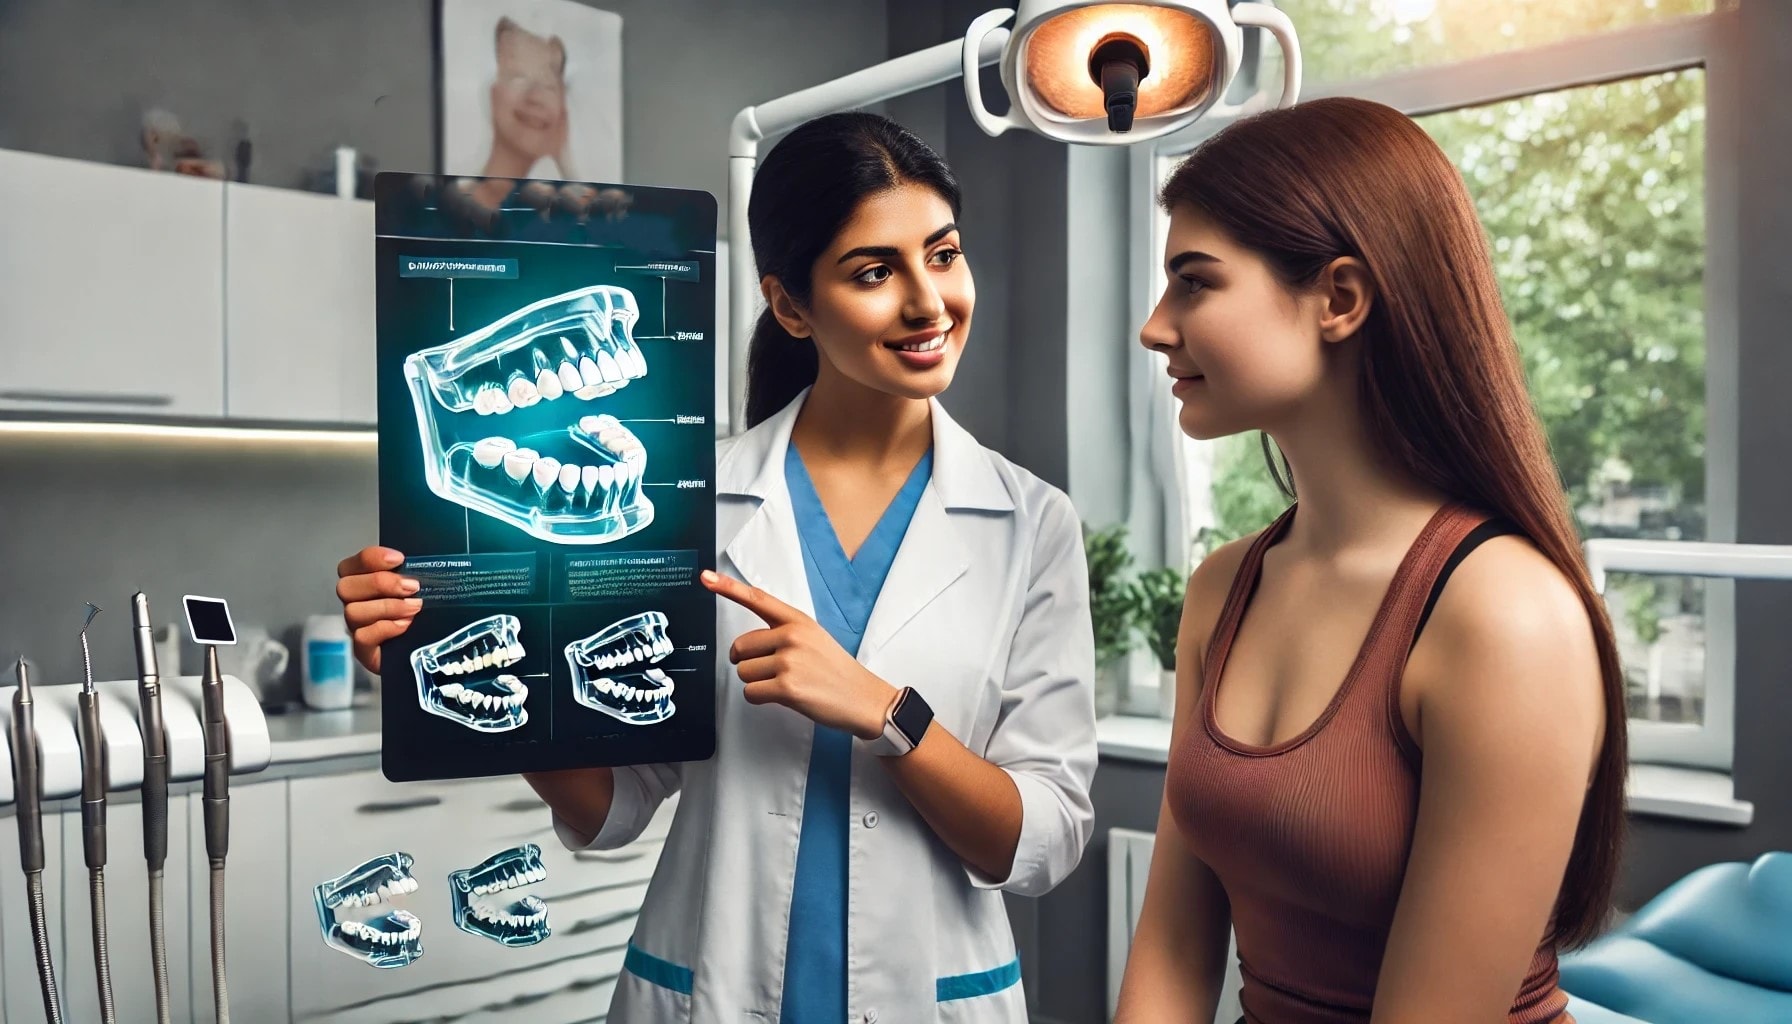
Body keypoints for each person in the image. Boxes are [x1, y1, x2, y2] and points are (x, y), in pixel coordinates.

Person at [336, 112, 1098, 1023]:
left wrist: (886, 714)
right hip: (709, 988)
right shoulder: (683, 499)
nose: (929, 302)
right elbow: (617, 806)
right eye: (874, 271)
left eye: (943, 254)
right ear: (789, 305)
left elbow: (1044, 840)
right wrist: (454, 655)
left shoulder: (1031, 523)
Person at [1114, 97, 1626, 1023]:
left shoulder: (1505, 617)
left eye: (1194, 283)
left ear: (1340, 300)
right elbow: (1175, 948)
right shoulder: (1222, 587)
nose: (1156, 327)